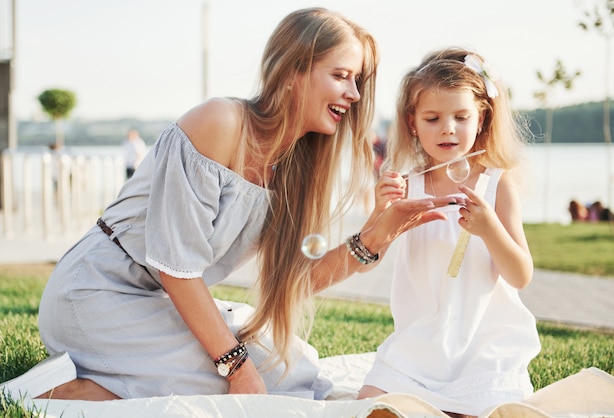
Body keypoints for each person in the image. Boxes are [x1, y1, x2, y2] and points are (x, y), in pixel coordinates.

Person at [1, 8, 462, 402]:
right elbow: (176, 268)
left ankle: (112, 381)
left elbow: (297, 280)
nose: (354, 95)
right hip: (96, 293)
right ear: (293, 71)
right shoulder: (219, 122)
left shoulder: (294, 170)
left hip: (163, 302)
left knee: (294, 371)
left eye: (356, 80)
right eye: (341, 76)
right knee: (244, 381)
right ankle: (60, 394)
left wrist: (376, 236)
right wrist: (234, 365)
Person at [357, 47, 541, 417]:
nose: (447, 128)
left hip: (484, 347)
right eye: (432, 118)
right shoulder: (406, 187)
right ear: (412, 123)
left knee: (482, 411)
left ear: (482, 120)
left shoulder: (496, 186)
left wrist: (490, 229)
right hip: (419, 348)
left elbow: (520, 276)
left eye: (461, 116)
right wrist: (380, 213)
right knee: (370, 407)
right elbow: (363, 263)